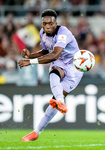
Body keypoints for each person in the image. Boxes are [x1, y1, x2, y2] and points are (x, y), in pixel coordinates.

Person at [18, 9, 84, 141]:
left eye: (50, 24)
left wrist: (30, 62)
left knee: (53, 102)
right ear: (42, 24)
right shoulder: (42, 33)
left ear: (56, 23)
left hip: (74, 68)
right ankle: (37, 130)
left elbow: (54, 54)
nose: (48, 26)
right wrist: (31, 54)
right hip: (59, 63)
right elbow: (46, 51)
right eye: (45, 24)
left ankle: (39, 129)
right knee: (54, 72)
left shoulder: (63, 32)